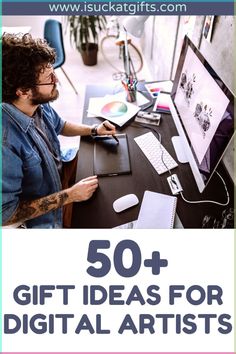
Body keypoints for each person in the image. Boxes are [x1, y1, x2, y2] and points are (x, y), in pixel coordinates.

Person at [2, 33, 116, 228]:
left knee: (113, 172)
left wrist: (94, 130)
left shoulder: (36, 101)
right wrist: (70, 195)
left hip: (60, 174)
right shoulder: (5, 143)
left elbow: (59, 125)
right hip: (49, 213)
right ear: (23, 91)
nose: (56, 81)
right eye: (49, 78)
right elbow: (6, 214)